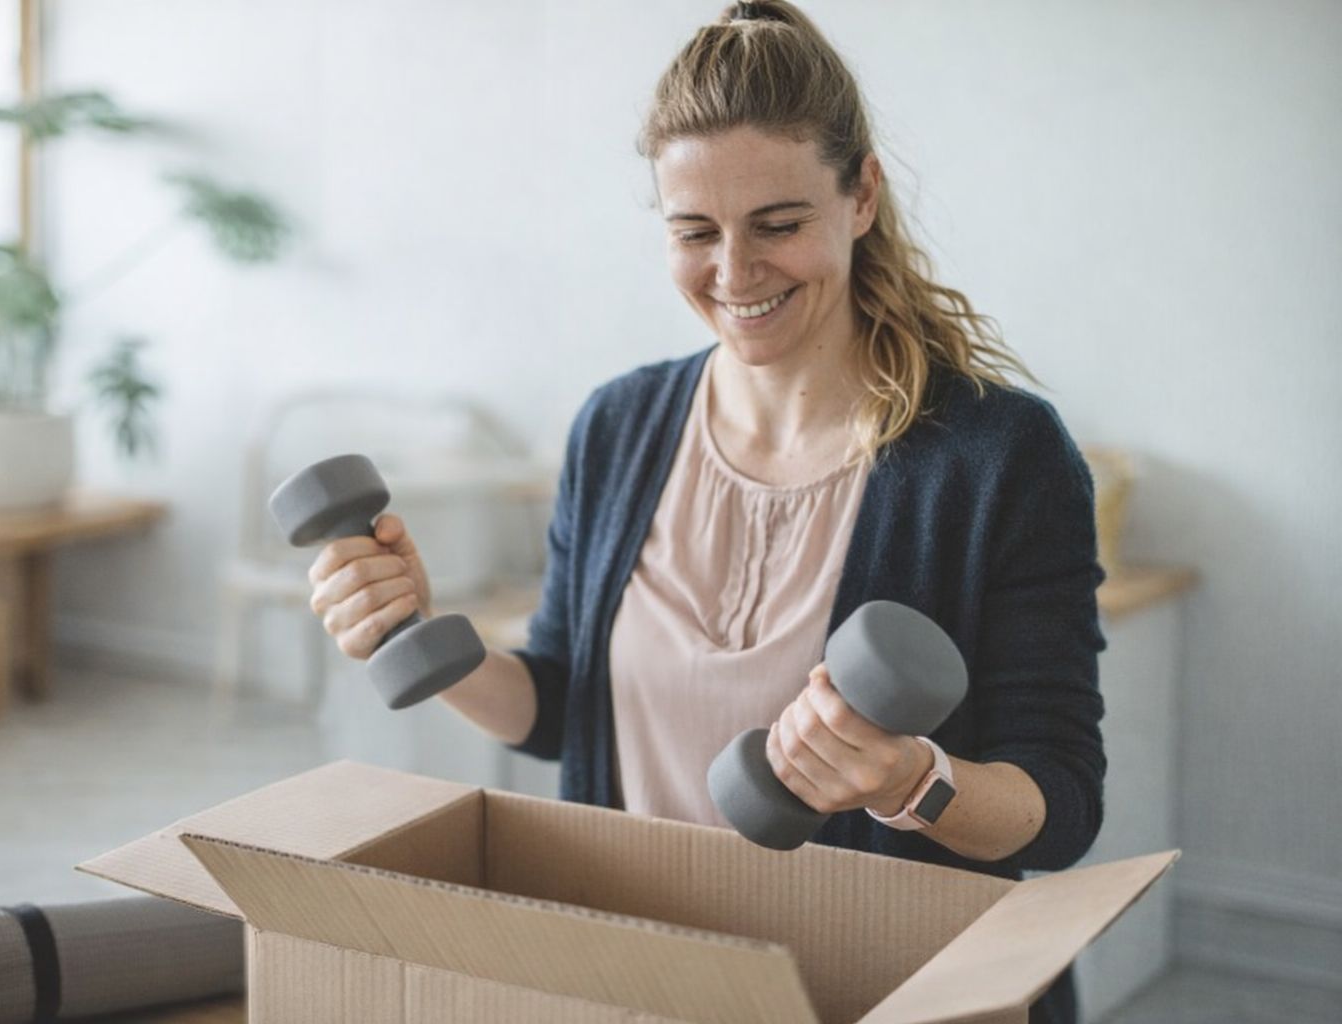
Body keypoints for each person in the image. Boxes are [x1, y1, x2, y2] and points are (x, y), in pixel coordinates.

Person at [305, 3, 1105, 1021]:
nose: (734, 272)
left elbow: (1060, 804)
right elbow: (561, 709)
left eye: (778, 224)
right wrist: (415, 634)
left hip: (880, 987)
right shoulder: (618, 425)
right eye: (694, 232)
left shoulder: (999, 457)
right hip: (640, 982)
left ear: (861, 195)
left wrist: (910, 780)